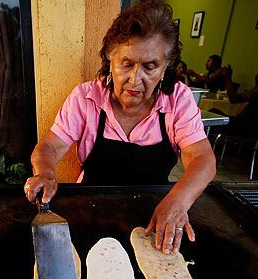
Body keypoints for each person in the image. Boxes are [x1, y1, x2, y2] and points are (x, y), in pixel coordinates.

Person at [23, 0, 216, 255]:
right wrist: (45, 172)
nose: (135, 80)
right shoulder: (86, 98)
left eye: (150, 66)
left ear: (166, 66)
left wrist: (178, 201)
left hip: (154, 214)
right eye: (127, 64)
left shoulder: (177, 100)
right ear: (110, 59)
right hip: (89, 212)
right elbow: (49, 146)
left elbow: (202, 158)